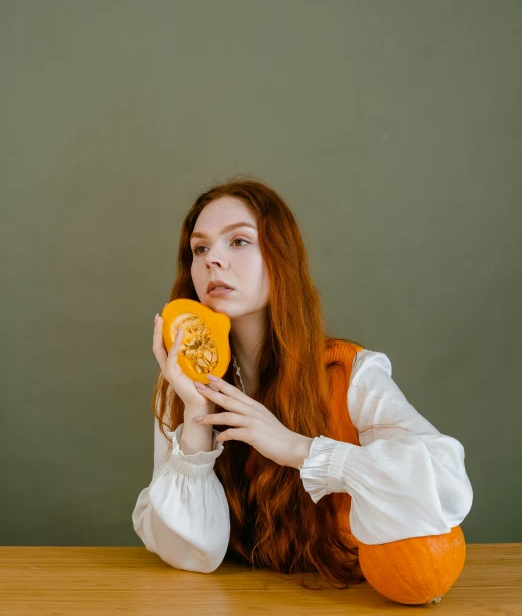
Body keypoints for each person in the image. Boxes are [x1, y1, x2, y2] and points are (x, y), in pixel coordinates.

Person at [132, 175, 473, 590]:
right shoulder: (180, 385)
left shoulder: (348, 373)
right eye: (199, 248)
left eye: (237, 241)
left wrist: (298, 449)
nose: (211, 260)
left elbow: (447, 485)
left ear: (280, 257)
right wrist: (197, 415)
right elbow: (192, 552)